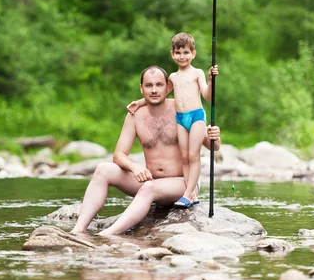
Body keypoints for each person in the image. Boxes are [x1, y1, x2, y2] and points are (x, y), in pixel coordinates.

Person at [70, 65, 220, 236]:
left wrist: (214, 137)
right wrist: (135, 167)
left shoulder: (181, 109)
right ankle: (78, 230)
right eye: (149, 85)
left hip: (182, 183)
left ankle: (107, 235)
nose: (154, 90)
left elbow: (212, 146)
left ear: (168, 87)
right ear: (141, 89)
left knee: (149, 187)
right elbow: (119, 155)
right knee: (103, 169)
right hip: (150, 180)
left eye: (159, 85)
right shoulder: (135, 114)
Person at [128, 33, 218, 208]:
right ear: (172, 54)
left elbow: (207, 96)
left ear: (193, 54)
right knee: (184, 157)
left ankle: (188, 193)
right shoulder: (172, 77)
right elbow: (161, 94)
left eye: (186, 52)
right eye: (178, 53)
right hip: (180, 117)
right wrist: (139, 102)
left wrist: (210, 80)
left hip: (196, 116)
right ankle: (189, 192)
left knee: (193, 155)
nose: (182, 56)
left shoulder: (197, 73)